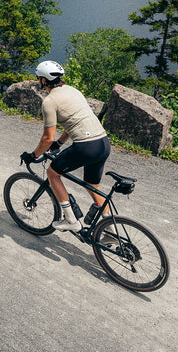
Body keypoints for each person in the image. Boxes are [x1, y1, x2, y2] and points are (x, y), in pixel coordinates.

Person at [20, 60, 111, 234]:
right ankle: (111, 230)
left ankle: (71, 220)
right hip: (103, 143)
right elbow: (73, 122)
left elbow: (47, 138)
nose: (38, 81)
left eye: (38, 78)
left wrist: (33, 155)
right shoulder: (73, 91)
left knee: (53, 174)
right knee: (92, 184)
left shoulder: (50, 101)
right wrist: (60, 143)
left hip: (86, 146)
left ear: (44, 81)